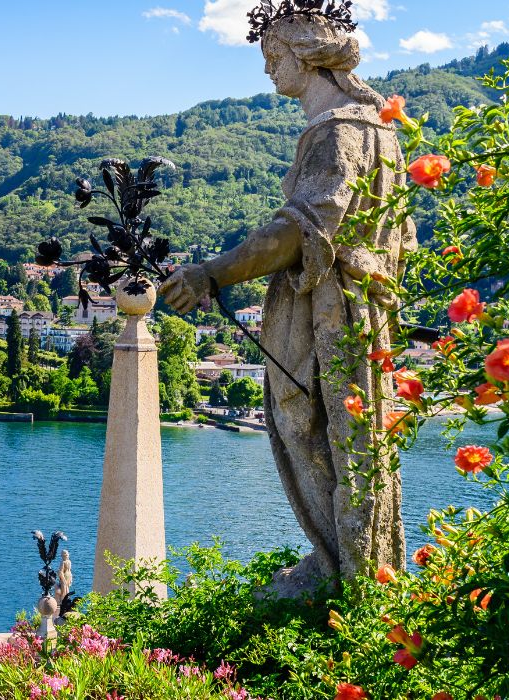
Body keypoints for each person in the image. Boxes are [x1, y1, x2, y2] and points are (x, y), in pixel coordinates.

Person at [160, 10, 415, 593]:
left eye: (274, 57)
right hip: (360, 308)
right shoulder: (380, 131)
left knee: (314, 427)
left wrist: (211, 274)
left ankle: (343, 572)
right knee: (347, 434)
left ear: (306, 56)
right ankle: (352, 563)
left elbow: (300, 231)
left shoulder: (337, 132)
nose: (270, 70)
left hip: (330, 306)